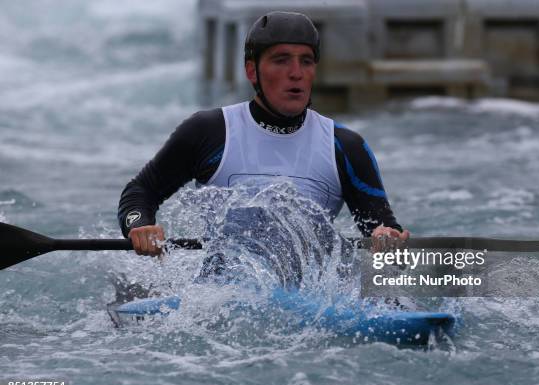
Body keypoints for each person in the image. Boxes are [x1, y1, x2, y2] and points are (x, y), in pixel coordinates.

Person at [118, 11, 409, 257]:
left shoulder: (345, 146)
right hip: (220, 299)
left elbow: (382, 227)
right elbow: (140, 192)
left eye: (306, 61)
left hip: (311, 304)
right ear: (252, 72)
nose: (296, 73)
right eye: (281, 60)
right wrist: (139, 225)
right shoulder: (209, 131)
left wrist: (386, 237)